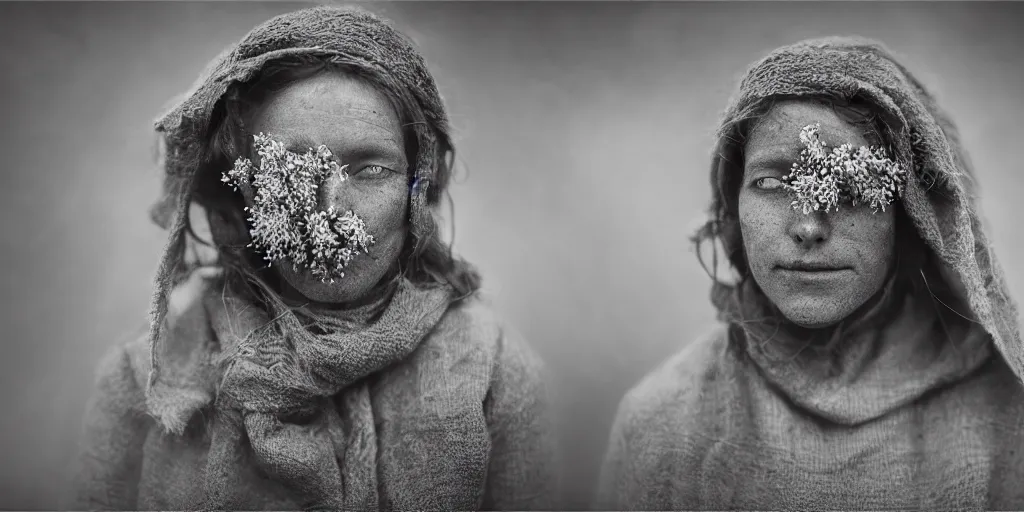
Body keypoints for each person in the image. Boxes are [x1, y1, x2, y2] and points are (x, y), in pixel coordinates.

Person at [66, 6, 557, 511]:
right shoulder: (145, 383)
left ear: (418, 182)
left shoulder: (491, 370)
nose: (328, 212)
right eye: (290, 169)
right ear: (242, 190)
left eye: (370, 170)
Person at [595, 36, 1024, 510]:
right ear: (732, 206)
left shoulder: (1004, 420)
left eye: (851, 187)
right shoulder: (667, 422)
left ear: (911, 214)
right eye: (772, 182)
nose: (808, 226)